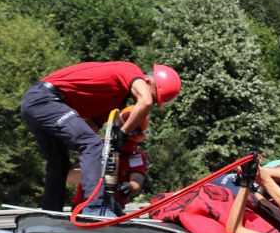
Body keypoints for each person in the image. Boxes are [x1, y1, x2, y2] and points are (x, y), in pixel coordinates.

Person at [20, 61, 181, 213]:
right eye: (154, 98)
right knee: (92, 143)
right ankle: (95, 207)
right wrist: (124, 132)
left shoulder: (116, 99)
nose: (151, 104)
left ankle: (50, 213)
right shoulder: (130, 70)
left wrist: (112, 144)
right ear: (147, 82)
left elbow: (92, 126)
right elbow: (144, 102)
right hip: (45, 99)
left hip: (39, 103)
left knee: (59, 162)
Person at [69, 107, 148, 214]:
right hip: (83, 206)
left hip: (113, 207)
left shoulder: (136, 155)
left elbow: (136, 181)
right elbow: (72, 178)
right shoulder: (96, 146)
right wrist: (99, 168)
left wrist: (129, 187)